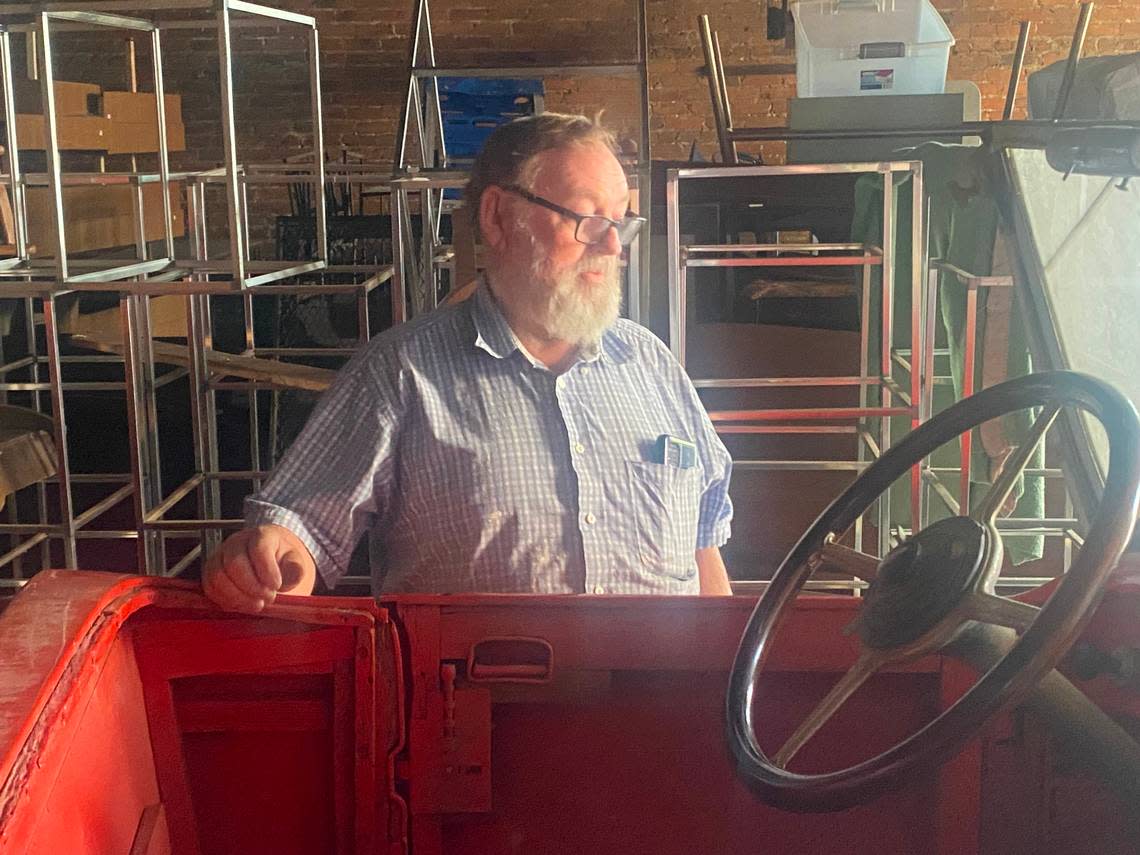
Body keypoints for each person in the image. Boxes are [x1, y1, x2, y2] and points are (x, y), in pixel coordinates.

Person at [202, 112, 734, 611]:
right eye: (588, 219)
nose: (614, 246)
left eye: (622, 221)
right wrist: (263, 560)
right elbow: (298, 527)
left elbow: (703, 545)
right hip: (476, 706)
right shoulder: (401, 373)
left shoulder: (650, 365)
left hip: (662, 702)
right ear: (498, 216)